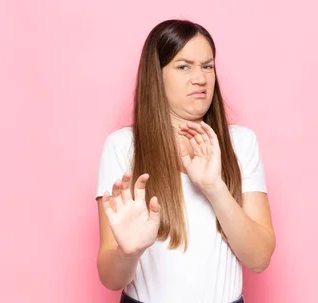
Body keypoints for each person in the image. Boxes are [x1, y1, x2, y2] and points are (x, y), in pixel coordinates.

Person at [94, 19, 275, 303]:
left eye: (207, 66)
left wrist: (214, 187)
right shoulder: (122, 146)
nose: (200, 78)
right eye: (184, 66)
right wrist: (128, 252)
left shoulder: (241, 142)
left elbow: (259, 258)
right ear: (157, 74)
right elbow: (110, 278)